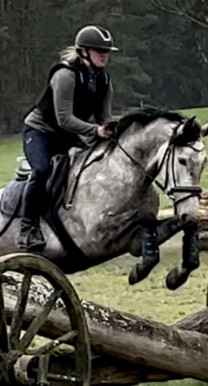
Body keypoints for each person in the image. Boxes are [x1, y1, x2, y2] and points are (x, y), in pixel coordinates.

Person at [19, 25, 118, 251]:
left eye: (107, 51)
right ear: (83, 51)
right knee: (42, 170)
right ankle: (27, 227)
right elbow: (64, 118)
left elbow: (104, 118)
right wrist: (95, 131)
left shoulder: (104, 81)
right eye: (98, 50)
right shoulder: (65, 75)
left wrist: (110, 130)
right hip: (41, 132)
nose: (104, 55)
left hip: (69, 136)